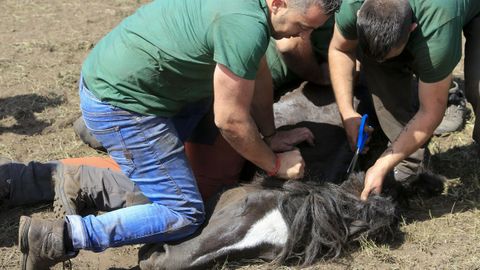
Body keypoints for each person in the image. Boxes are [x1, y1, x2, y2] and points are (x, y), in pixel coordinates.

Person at [18, 0, 341, 268]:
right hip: (125, 105)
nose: (305, 33)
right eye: (305, 24)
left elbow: (257, 72)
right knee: (183, 213)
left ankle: (85, 178)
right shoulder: (244, 25)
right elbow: (230, 121)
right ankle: (60, 238)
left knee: (180, 182)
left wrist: (269, 135)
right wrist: (274, 165)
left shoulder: (250, 14)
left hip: (150, 85)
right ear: (279, 3)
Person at [328, 0, 480, 200]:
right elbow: (340, 49)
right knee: (377, 60)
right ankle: (409, 158)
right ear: (359, 15)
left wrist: (381, 164)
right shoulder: (351, 5)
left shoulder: (436, 26)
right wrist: (347, 112)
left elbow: (431, 111)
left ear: (412, 28)